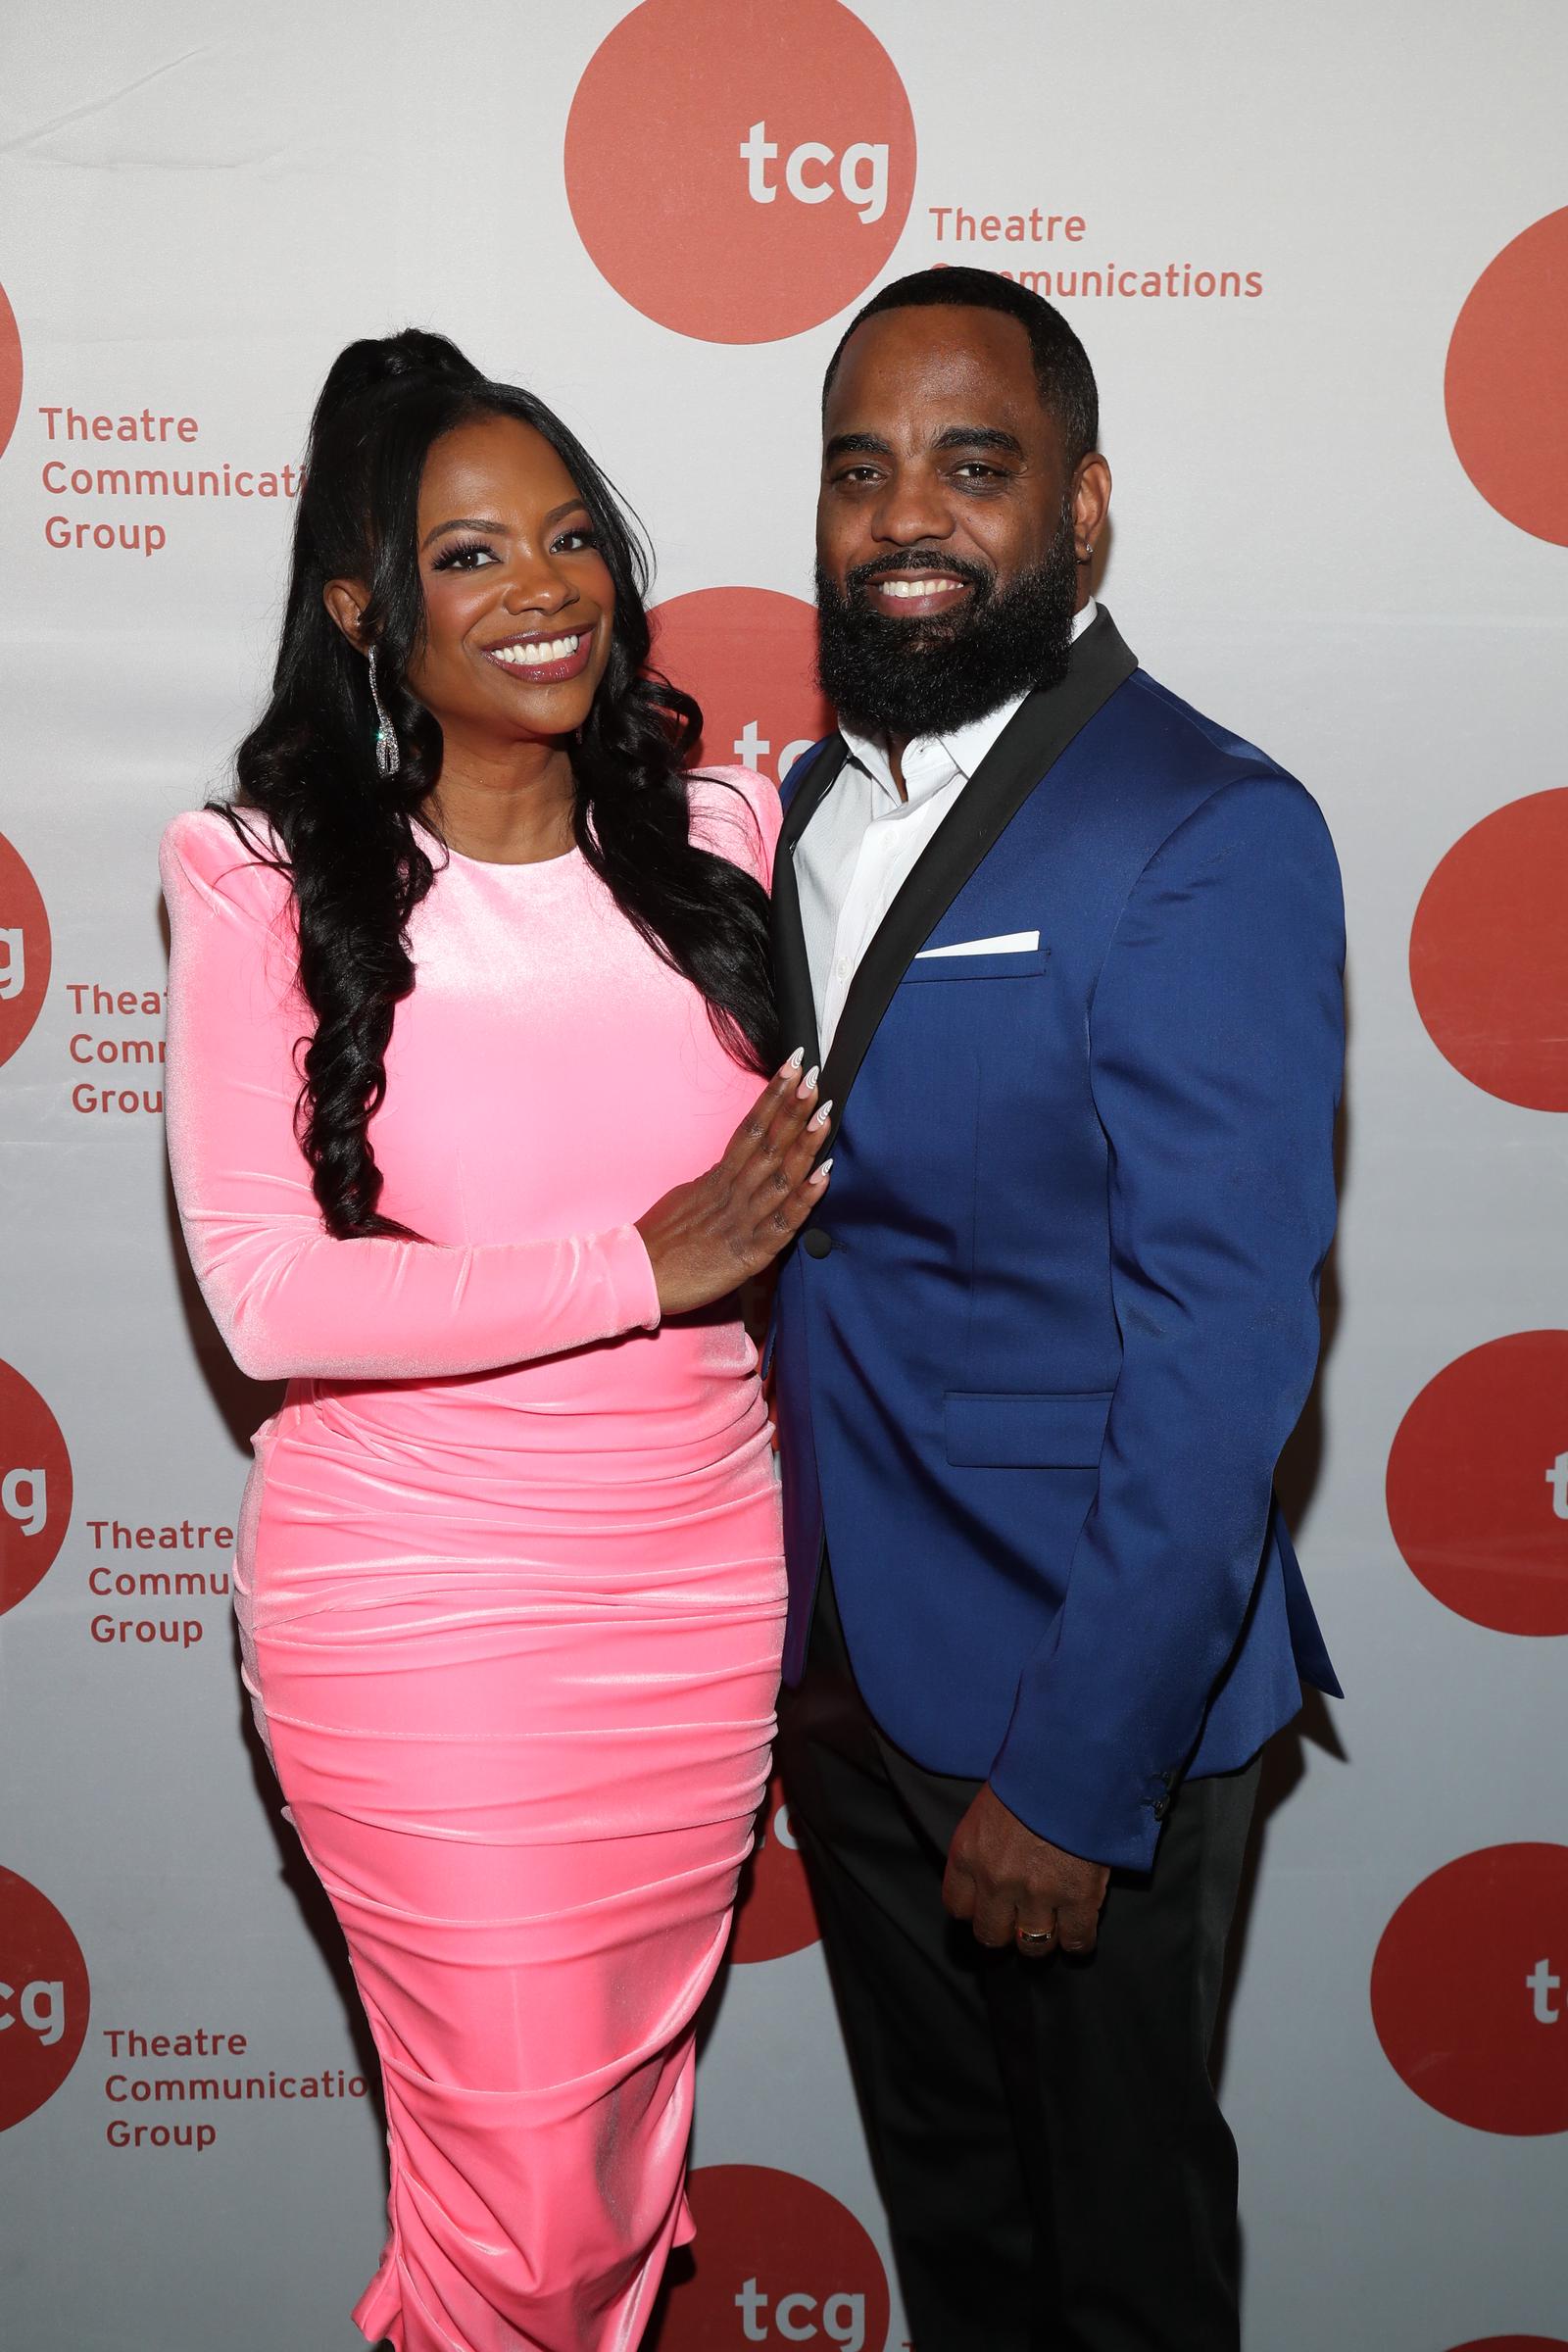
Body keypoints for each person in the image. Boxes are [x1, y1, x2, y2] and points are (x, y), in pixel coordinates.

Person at [161, 329, 827, 2352]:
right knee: (524, 2224)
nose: (541, 586)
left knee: (601, 2196)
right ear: (366, 608)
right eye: (470, 557)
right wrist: (645, 1262)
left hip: (695, 1602)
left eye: (567, 539)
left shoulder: (728, 837)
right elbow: (271, 1295)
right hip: (421, 1617)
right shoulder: (265, 883)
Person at [769, 268, 1345, 2351]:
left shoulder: (1202, 827)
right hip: (847, 1675)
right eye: (858, 471)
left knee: (1116, 2288)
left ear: (1080, 512)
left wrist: (1075, 1777)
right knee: (965, 2264)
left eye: (970, 465)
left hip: (1067, 1712)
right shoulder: (811, 815)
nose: (902, 515)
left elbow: (1221, 1348)